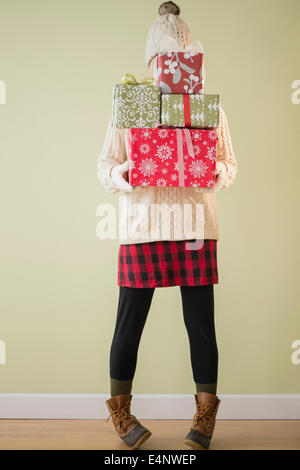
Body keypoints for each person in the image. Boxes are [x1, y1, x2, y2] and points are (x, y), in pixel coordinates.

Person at [98, 1, 237, 450]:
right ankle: (121, 414)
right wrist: (127, 173)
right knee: (128, 323)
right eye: (162, 60)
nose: (170, 67)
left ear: (192, 61)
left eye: (179, 59)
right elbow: (106, 165)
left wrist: (211, 171)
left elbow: (228, 164)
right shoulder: (130, 106)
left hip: (196, 223)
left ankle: (205, 415)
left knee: (201, 325)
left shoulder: (208, 108)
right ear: (152, 62)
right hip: (143, 224)